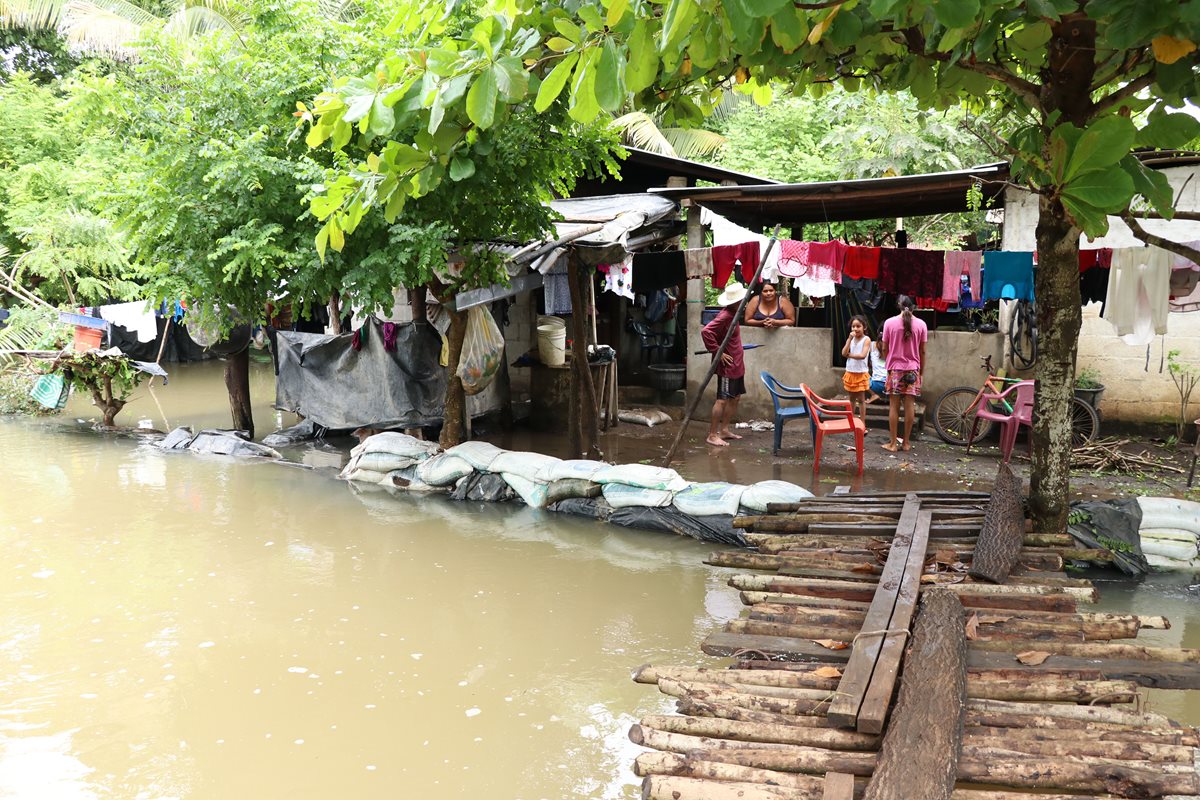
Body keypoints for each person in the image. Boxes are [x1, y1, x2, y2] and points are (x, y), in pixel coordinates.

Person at [701, 281, 748, 447]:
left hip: (736, 364)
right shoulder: (726, 315)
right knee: (722, 400)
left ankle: (725, 430)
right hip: (727, 366)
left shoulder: (734, 314)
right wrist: (718, 352)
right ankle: (712, 434)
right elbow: (706, 331)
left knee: (735, 397)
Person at [878, 295, 927, 453]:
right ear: (915, 306)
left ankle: (893, 443)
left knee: (894, 405)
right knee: (909, 406)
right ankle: (905, 443)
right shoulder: (921, 324)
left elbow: (884, 348)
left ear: (898, 305)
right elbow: (923, 351)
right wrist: (921, 372)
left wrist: (889, 364)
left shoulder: (889, 323)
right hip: (913, 369)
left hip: (895, 369)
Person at [841, 315, 871, 428]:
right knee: (851, 399)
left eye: (858, 326)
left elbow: (862, 355)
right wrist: (849, 339)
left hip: (860, 373)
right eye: (853, 326)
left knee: (861, 400)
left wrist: (850, 355)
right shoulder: (851, 339)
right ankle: (850, 421)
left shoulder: (866, 339)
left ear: (864, 327)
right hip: (850, 371)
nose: (855, 329)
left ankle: (862, 424)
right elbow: (843, 353)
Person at [867, 339, 887, 405]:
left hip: (874, 386)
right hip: (890, 386)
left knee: (860, 377)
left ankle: (873, 395)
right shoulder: (892, 346)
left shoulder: (872, 345)